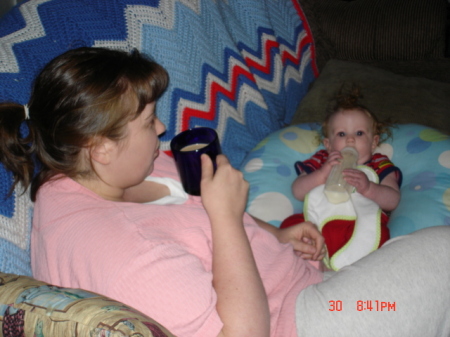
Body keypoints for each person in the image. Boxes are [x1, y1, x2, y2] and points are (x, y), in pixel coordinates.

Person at [0, 47, 449, 337]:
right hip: (297, 321)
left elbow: (192, 211)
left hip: (304, 282)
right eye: (148, 121)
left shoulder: (94, 170)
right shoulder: (120, 255)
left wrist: (275, 235)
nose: (161, 128)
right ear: (98, 147)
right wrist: (225, 217)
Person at [282, 87, 402, 270]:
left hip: (359, 223)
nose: (350, 140)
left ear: (374, 142)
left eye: (359, 133)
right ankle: (314, 265)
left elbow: (393, 200)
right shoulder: (323, 161)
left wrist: (369, 188)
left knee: (382, 238)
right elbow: (298, 191)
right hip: (318, 221)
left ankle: (354, 274)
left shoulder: (379, 164)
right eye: (341, 134)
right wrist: (322, 174)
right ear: (328, 145)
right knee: (290, 226)